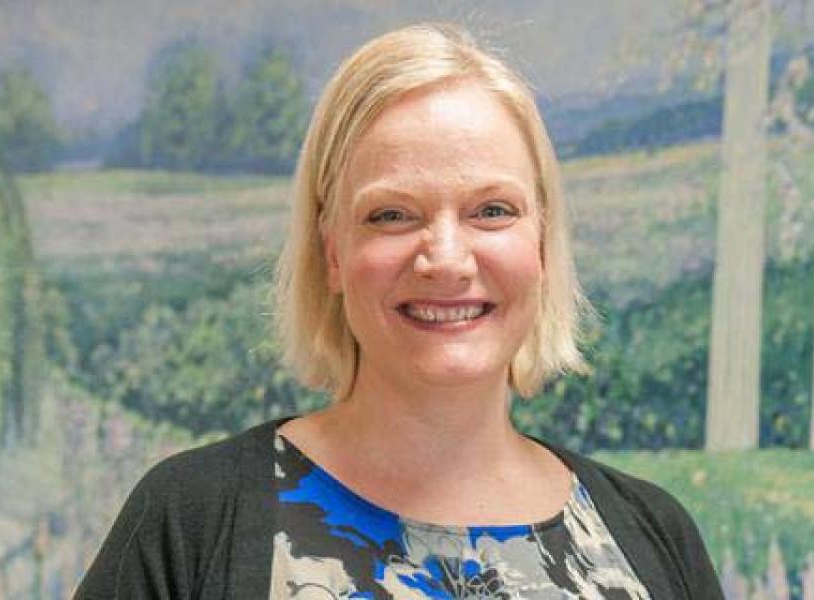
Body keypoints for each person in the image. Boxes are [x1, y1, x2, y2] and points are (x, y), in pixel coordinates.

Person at [76, 23, 723, 599]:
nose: (445, 258)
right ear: (332, 253)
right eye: (392, 214)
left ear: (542, 244)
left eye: (492, 210)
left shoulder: (654, 534)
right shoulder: (192, 520)